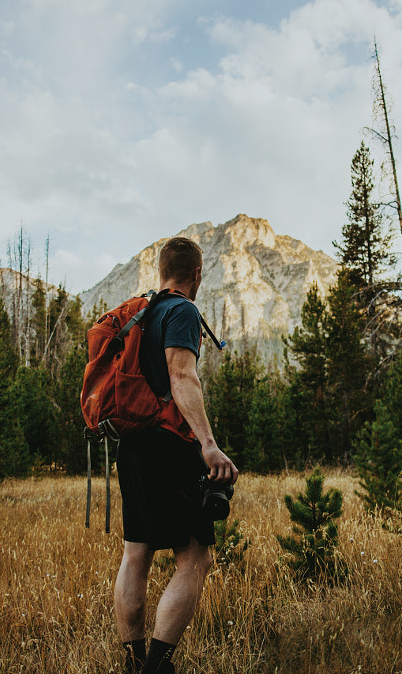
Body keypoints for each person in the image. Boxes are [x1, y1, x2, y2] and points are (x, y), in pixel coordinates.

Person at [114, 236, 240, 674]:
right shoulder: (182, 310)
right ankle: (157, 666)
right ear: (196, 275)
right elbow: (182, 376)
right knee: (195, 557)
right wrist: (208, 445)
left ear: (162, 270)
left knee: (136, 553)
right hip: (169, 445)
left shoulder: (142, 313)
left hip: (130, 446)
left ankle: (133, 664)